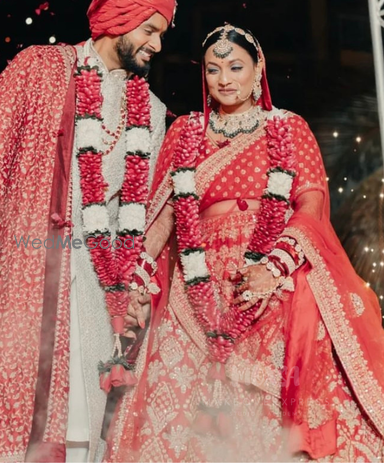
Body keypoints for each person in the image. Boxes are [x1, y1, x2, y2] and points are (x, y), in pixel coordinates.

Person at [0, 0, 177, 463]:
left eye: (162, 34)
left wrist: (133, 286)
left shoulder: (152, 113)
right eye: (150, 30)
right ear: (119, 18)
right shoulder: (39, 68)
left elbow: (141, 215)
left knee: (82, 428)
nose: (156, 45)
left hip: (96, 288)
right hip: (19, 279)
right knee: (9, 422)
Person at [106, 24, 384, 463]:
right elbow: (162, 216)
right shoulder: (186, 131)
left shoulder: (288, 127)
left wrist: (273, 267)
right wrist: (137, 279)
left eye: (236, 67)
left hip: (270, 278)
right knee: (182, 405)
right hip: (195, 284)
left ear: (259, 69)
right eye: (213, 69)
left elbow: (310, 204)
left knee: (266, 404)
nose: (224, 79)